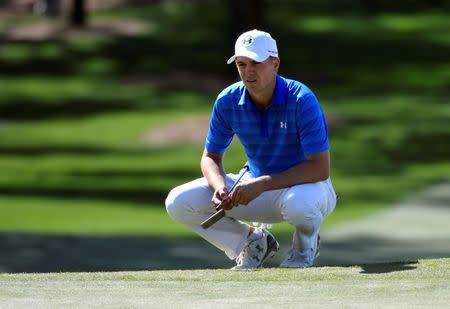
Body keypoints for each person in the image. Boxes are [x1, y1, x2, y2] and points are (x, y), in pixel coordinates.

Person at [165, 29, 337, 269]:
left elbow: (320, 169)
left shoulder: (301, 99)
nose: (248, 71)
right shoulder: (227, 100)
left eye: (256, 62)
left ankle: (303, 249)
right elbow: (210, 157)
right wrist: (219, 187)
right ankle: (253, 242)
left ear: (275, 64)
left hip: (308, 190)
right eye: (241, 63)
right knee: (178, 202)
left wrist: (262, 184)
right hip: (255, 190)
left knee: (300, 204)